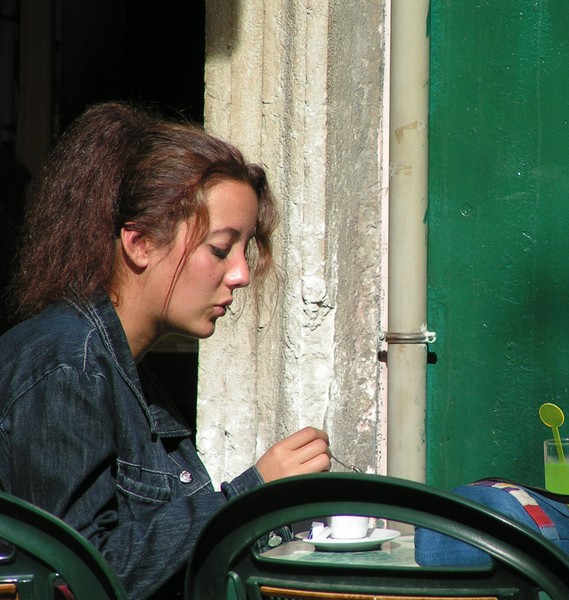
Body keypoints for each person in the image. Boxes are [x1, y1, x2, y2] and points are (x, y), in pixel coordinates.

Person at [0, 102, 331, 599]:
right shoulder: (70, 366)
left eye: (245, 251)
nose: (240, 274)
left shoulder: (119, 365)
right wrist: (249, 493)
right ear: (140, 244)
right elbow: (74, 580)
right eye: (221, 248)